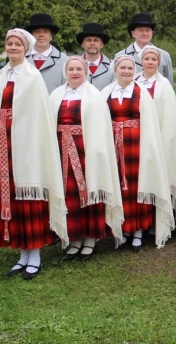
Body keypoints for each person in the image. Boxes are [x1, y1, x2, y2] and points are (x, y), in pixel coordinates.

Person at [0, 28, 68, 280]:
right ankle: (22, 254)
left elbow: (37, 116)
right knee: (11, 201)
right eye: (9, 44)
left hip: (26, 147)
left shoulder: (32, 76)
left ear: (26, 48)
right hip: (2, 146)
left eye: (18, 44)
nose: (13, 48)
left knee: (28, 198)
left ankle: (35, 254)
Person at [50, 56, 124, 260]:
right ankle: (74, 239)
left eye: (79, 69)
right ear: (66, 72)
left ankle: (90, 239)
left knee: (89, 193)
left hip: (87, 151)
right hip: (61, 150)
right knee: (69, 195)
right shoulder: (56, 95)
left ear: (86, 72)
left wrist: (96, 152)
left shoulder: (94, 96)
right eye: (71, 69)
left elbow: (100, 128)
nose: (75, 72)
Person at [101, 55, 175, 251]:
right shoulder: (106, 92)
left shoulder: (142, 93)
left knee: (136, 187)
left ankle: (138, 231)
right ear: (115, 69)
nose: (126, 71)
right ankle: (123, 228)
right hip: (114, 145)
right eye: (122, 67)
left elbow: (150, 124)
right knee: (119, 186)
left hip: (137, 145)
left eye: (130, 68)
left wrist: (149, 150)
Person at [134, 46, 176, 210]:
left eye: (153, 59)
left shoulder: (164, 86)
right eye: (147, 59)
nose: (150, 62)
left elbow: (168, 117)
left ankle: (157, 216)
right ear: (141, 61)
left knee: (155, 175)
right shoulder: (133, 81)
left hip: (156, 137)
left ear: (159, 62)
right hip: (134, 137)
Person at [113, 13, 174, 85]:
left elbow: (169, 85)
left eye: (147, 30)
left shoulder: (164, 55)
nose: (145, 33)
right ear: (133, 33)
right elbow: (116, 84)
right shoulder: (120, 56)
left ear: (152, 33)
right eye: (141, 30)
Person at [24, 13, 68, 93]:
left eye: (45, 31)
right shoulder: (21, 59)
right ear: (31, 35)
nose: (41, 35)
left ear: (51, 36)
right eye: (37, 31)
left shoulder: (64, 60)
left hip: (53, 105)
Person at [77, 22, 115, 90]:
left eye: (96, 40)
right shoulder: (74, 66)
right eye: (88, 40)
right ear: (82, 44)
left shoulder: (113, 67)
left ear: (102, 44)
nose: (92, 43)